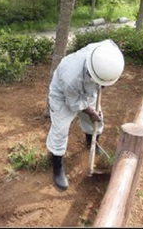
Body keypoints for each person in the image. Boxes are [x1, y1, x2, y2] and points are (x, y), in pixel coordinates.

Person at [46, 39, 125, 190]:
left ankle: (91, 142)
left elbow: (112, 51)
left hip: (89, 88)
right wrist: (90, 111)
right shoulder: (70, 76)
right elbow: (74, 103)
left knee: (97, 119)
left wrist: (102, 84)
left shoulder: (106, 53)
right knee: (60, 130)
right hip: (63, 96)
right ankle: (57, 165)